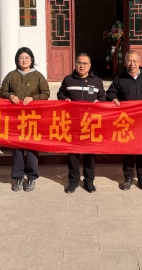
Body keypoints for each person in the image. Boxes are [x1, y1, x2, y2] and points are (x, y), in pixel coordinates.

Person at [106, 49, 142, 190]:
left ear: (139, 62)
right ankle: (128, 177)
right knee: (128, 150)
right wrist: (113, 97)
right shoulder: (120, 78)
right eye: (129, 61)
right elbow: (110, 92)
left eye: (134, 61)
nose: (132, 64)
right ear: (125, 63)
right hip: (127, 122)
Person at [0, 47, 50, 191]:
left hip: (33, 117)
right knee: (16, 148)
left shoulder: (38, 76)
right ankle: (18, 177)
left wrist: (33, 98)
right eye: (21, 58)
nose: (24, 60)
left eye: (27, 57)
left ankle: (32, 177)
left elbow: (46, 93)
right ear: (17, 60)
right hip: (15, 118)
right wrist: (10, 96)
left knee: (32, 147)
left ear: (31, 59)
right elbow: (2, 91)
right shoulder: (11, 75)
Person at [57, 52, 107, 193]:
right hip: (73, 123)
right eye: (79, 63)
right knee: (73, 154)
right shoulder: (68, 80)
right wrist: (64, 99)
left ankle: (89, 181)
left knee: (90, 154)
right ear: (76, 64)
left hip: (90, 124)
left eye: (85, 63)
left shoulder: (97, 81)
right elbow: (60, 94)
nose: (82, 66)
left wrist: (99, 102)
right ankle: (73, 181)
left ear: (89, 66)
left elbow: (103, 96)